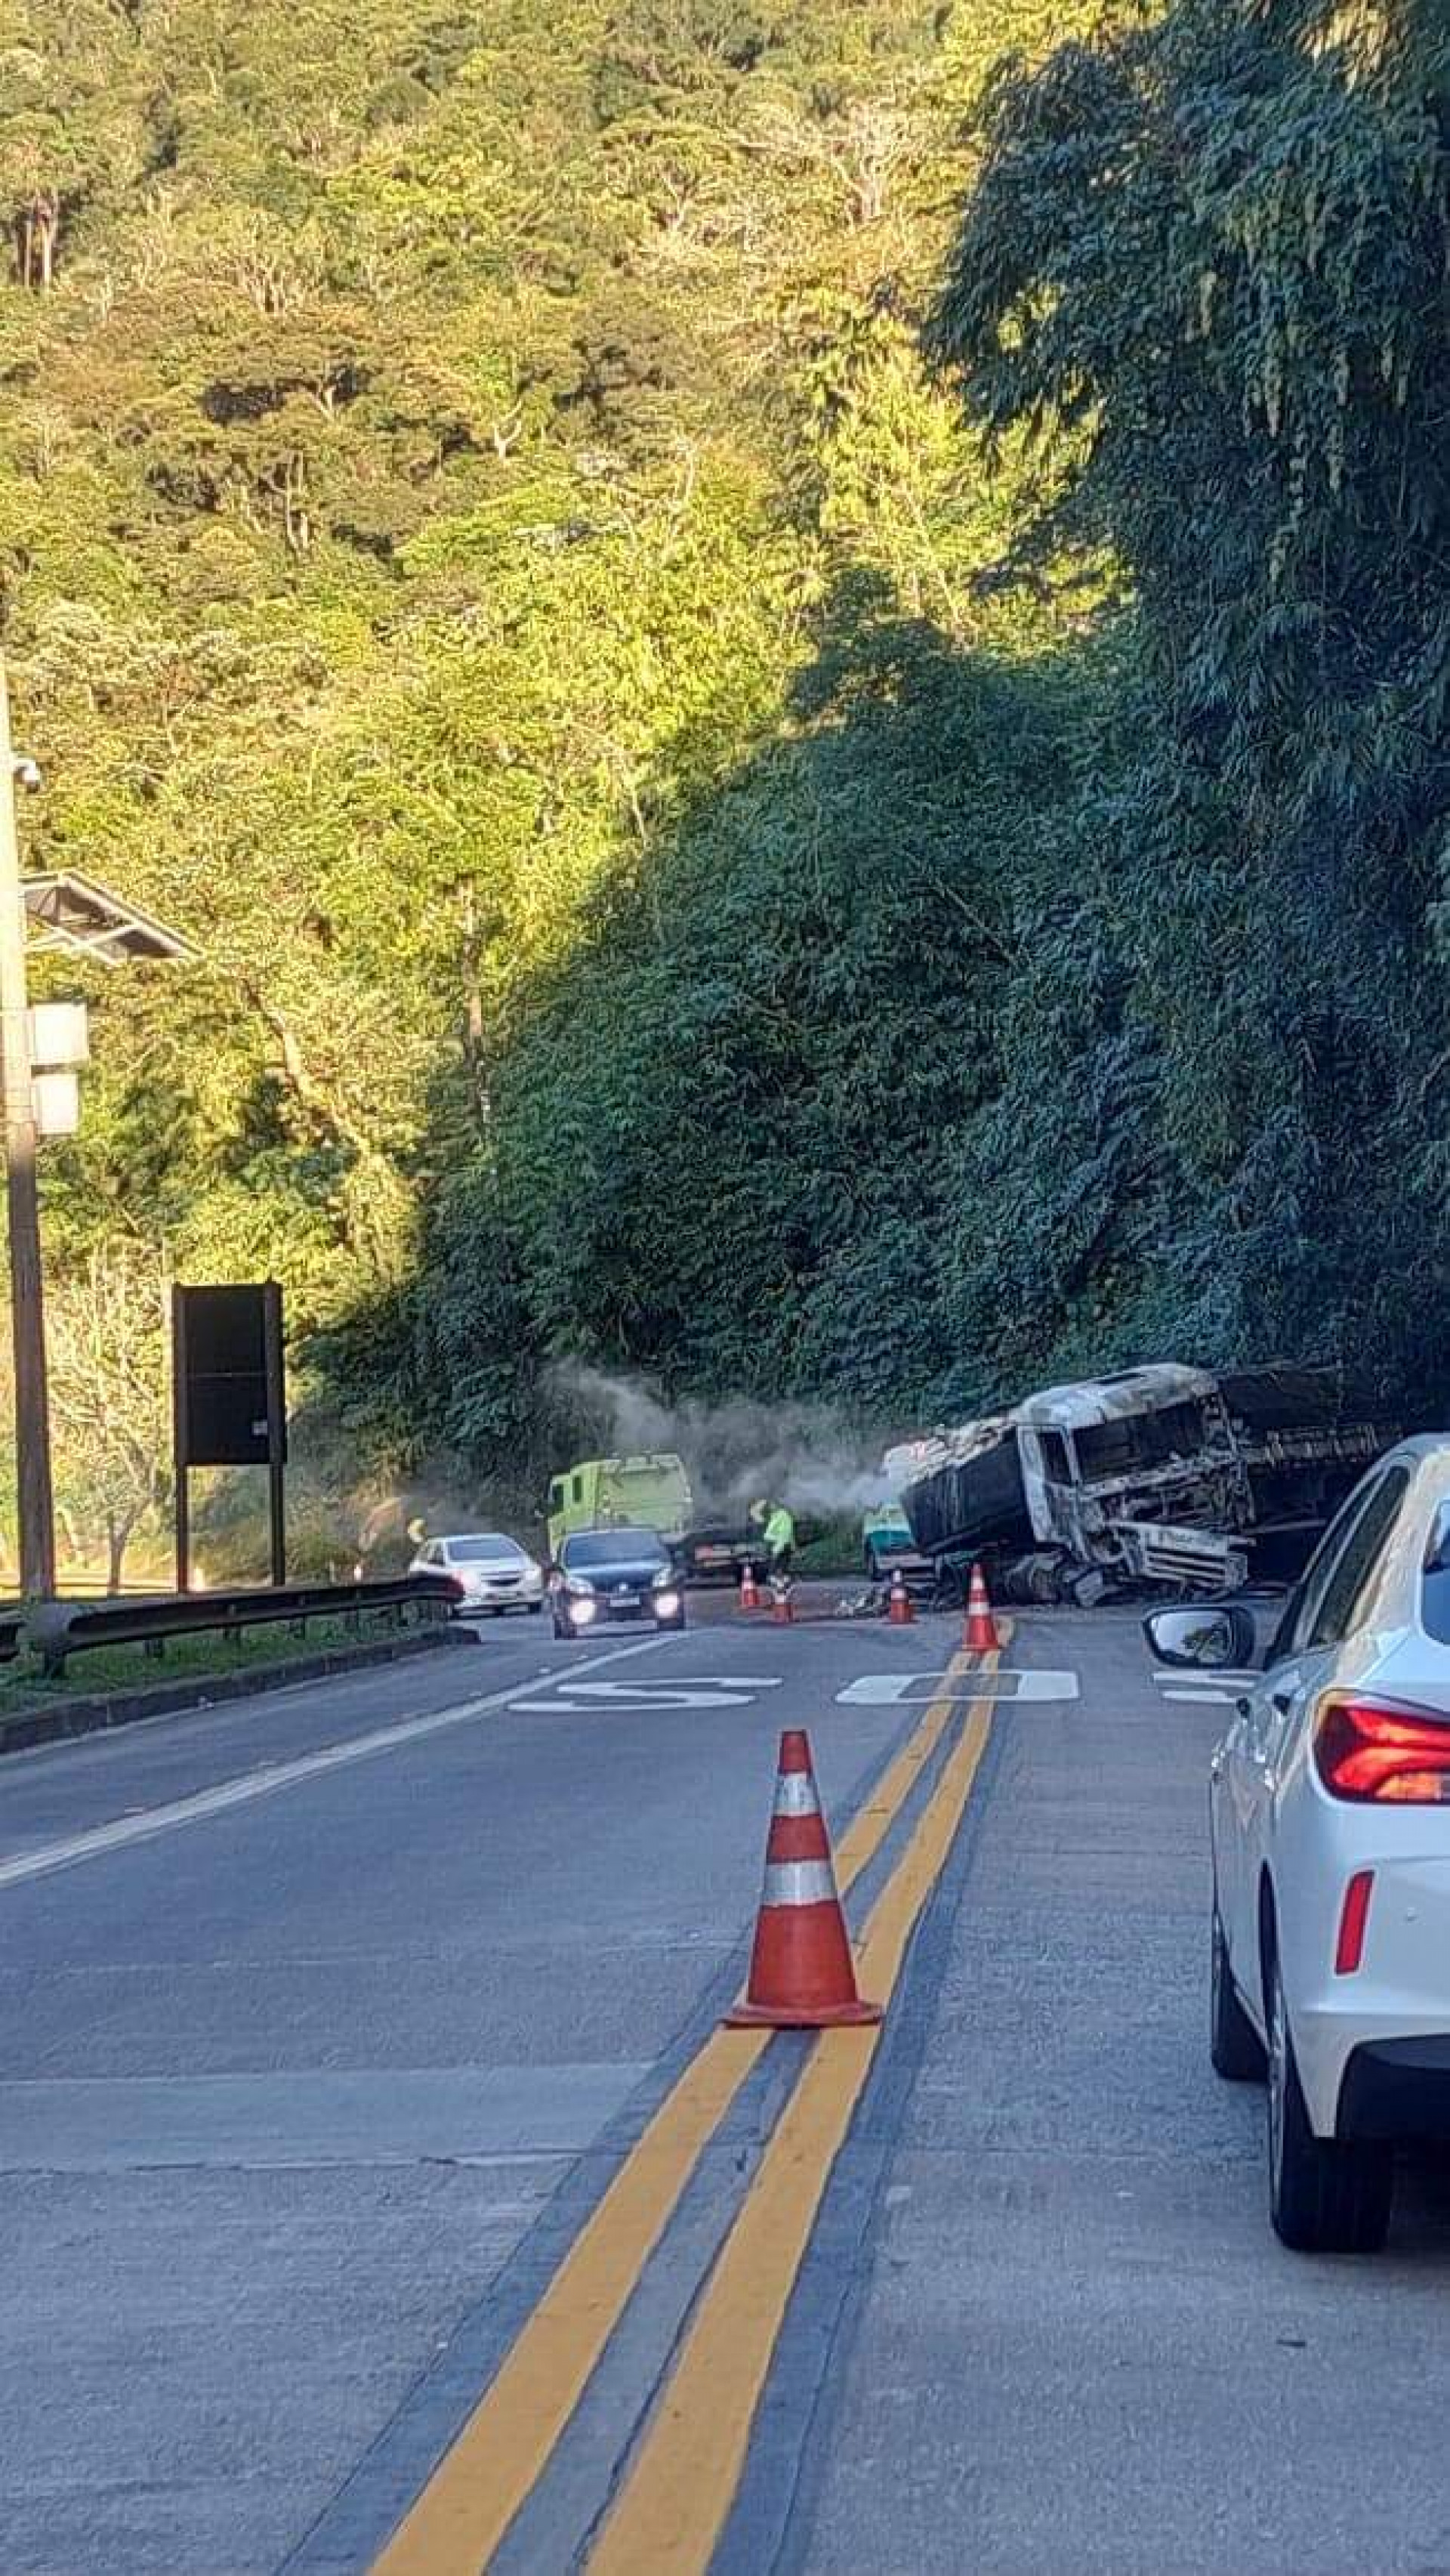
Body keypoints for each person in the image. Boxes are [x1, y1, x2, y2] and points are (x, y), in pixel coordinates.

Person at [751, 1497, 795, 1583]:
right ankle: (779, 1576)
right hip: (778, 1542)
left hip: (779, 1542)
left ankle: (777, 1576)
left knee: (778, 1558)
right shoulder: (775, 1516)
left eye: (772, 1505)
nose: (771, 1507)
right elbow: (754, 1513)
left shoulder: (781, 1515)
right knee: (780, 1559)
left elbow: (786, 1532)